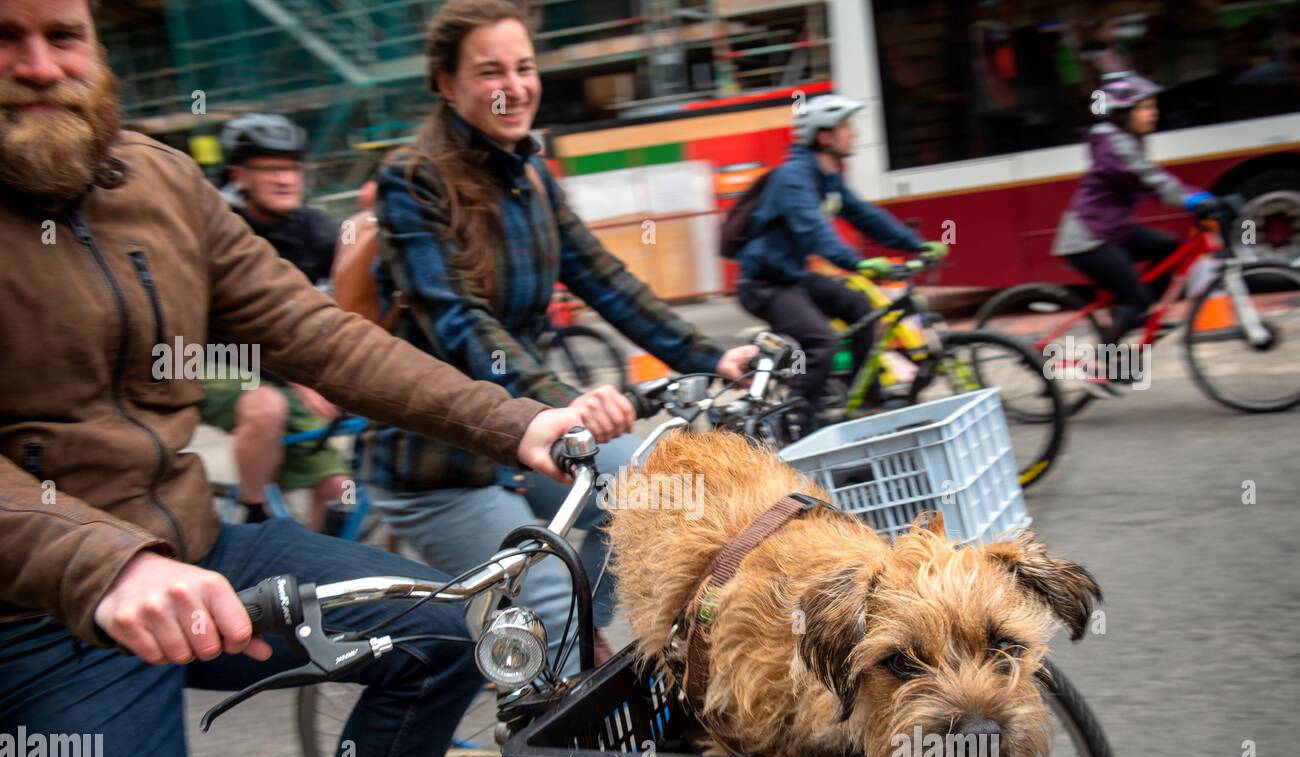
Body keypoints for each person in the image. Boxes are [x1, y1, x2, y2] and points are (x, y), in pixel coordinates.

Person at [0, 0, 607, 757]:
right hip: (35, 627)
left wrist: (513, 419)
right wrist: (104, 562)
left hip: (195, 555)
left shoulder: (158, 179)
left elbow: (316, 333)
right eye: (6, 37)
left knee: (448, 633)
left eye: (61, 35)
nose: (37, 64)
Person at [359, 0, 757, 673]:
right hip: (442, 461)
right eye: (490, 71)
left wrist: (713, 355)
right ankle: (564, 729)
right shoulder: (413, 180)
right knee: (547, 601)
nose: (513, 85)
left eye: (524, 67)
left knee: (653, 493)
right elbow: (459, 322)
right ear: (446, 83)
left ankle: (586, 663)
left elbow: (605, 279)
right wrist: (559, 401)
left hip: (530, 436)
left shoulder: (533, 176)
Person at [735, 93, 949, 425]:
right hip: (765, 284)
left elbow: (865, 216)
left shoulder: (827, 177)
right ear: (825, 136)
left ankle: (864, 400)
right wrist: (857, 263)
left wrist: (916, 245)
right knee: (823, 342)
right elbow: (814, 231)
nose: (854, 133)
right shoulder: (793, 179)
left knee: (860, 306)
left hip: (792, 277)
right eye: (846, 127)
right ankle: (797, 422)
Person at [201, 113, 353, 529]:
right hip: (217, 358)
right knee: (265, 405)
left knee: (341, 492)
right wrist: (299, 378)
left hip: (286, 368)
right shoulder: (218, 226)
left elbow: (357, 286)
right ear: (239, 175)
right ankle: (255, 517)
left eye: (292, 168)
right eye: (271, 169)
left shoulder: (315, 228)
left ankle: (322, 578)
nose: (286, 179)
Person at [1052, 72, 1216, 396]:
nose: (1153, 112)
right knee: (1135, 296)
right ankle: (1099, 364)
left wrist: (1192, 197)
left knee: (1169, 248)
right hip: (1087, 238)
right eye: (1145, 107)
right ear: (1125, 112)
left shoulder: (1126, 140)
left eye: (1153, 106)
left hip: (1112, 230)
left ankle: (1132, 316)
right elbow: (1150, 179)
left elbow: (1150, 182)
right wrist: (1195, 198)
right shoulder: (1115, 145)